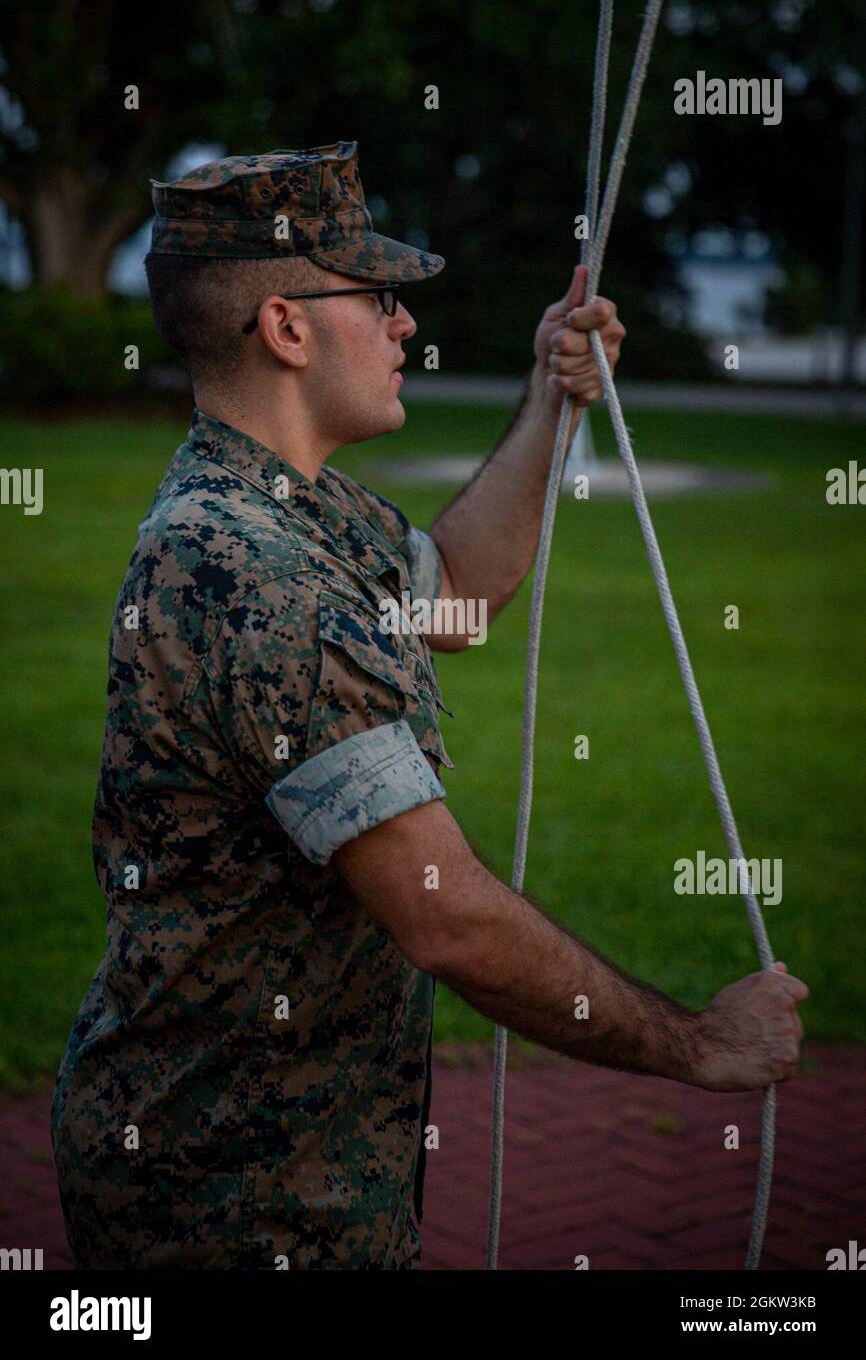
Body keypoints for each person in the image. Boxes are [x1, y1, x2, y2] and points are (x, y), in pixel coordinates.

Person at [51, 141, 807, 1271]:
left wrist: (551, 396)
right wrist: (695, 1043)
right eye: (380, 296)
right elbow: (444, 916)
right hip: (231, 1200)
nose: (405, 324)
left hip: (274, 1163)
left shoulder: (281, 507)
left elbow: (452, 596)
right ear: (287, 328)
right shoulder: (254, 576)